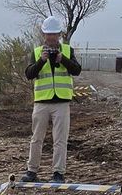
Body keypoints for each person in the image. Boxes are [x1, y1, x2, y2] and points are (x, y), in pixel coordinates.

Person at [22, 16, 82, 182]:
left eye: (54, 34)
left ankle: (58, 173)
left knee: (60, 140)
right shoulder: (37, 52)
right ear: (44, 35)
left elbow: (77, 70)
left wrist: (63, 60)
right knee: (36, 138)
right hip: (42, 102)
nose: (51, 37)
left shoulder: (68, 51)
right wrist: (41, 61)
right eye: (48, 34)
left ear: (59, 34)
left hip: (61, 102)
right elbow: (29, 74)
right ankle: (32, 171)